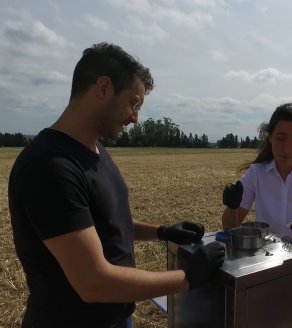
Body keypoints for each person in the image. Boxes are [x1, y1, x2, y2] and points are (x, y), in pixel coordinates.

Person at [8, 42, 225, 328]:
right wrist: (187, 277)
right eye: (133, 103)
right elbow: (93, 282)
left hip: (115, 318)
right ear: (103, 87)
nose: (135, 117)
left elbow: (106, 222)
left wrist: (162, 232)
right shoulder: (50, 166)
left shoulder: (93, 150)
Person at [221, 102, 292, 244]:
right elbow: (230, 228)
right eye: (280, 138)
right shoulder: (256, 174)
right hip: (266, 262)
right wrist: (232, 206)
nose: (287, 148)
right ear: (270, 137)